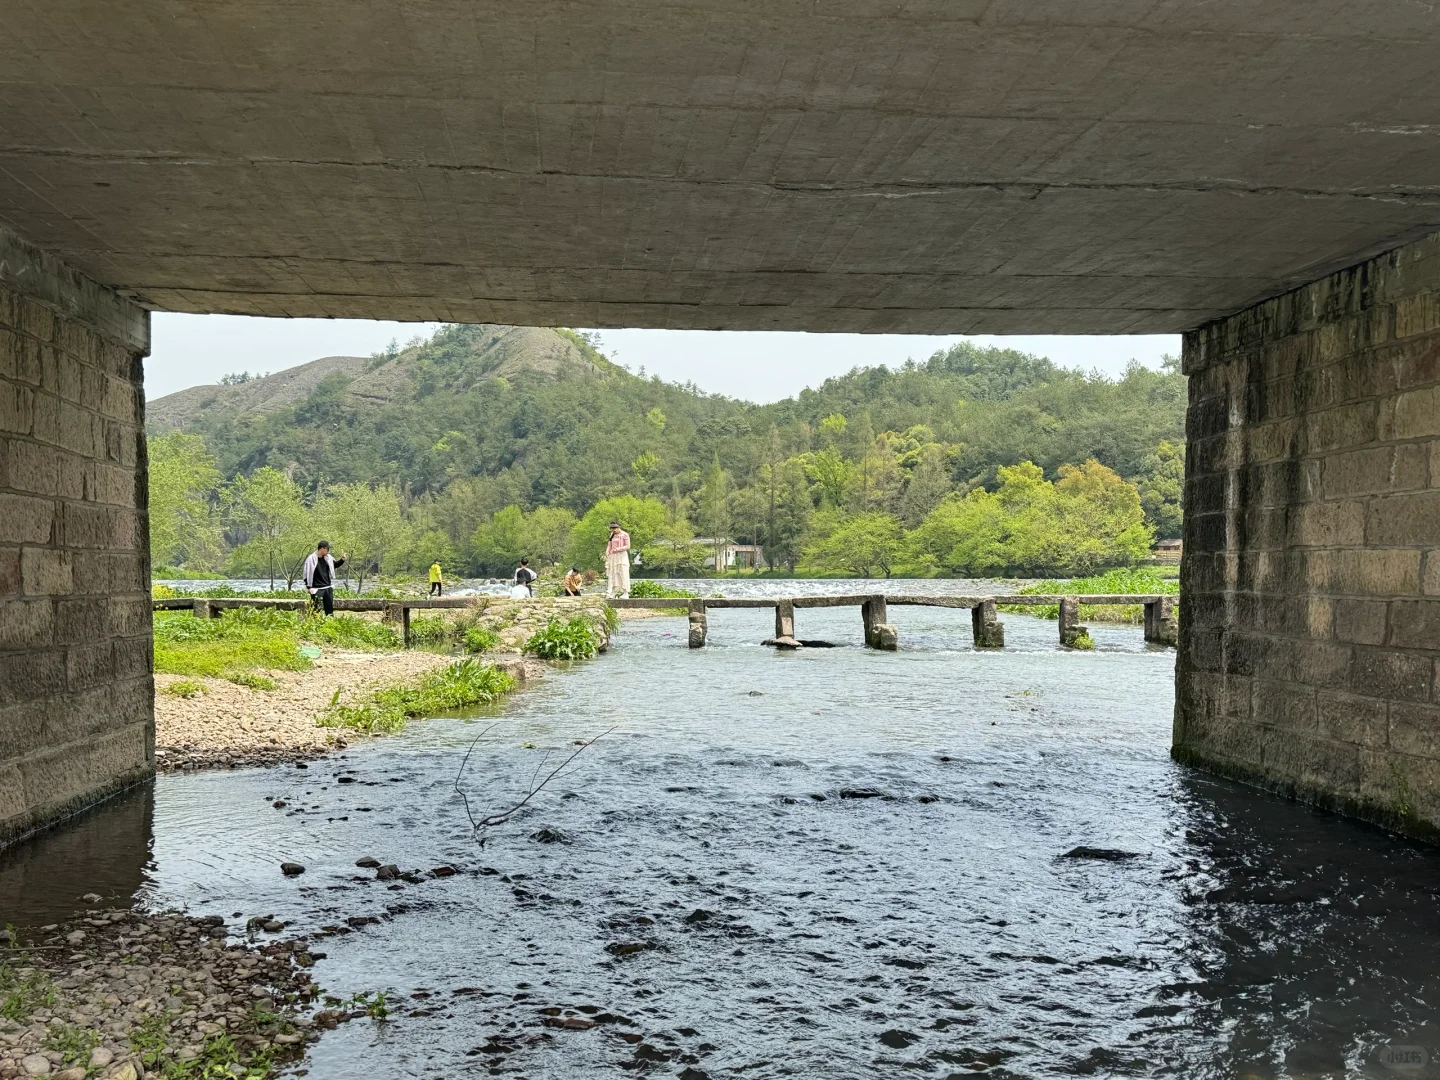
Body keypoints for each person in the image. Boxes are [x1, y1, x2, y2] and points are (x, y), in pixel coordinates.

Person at [302, 541, 346, 616]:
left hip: (327, 586)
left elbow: (335, 565)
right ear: (322, 548)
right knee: (316, 609)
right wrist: (308, 587)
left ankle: (330, 620)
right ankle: (315, 621)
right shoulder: (311, 559)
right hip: (316, 588)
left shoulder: (328, 558)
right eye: (327, 549)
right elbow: (306, 573)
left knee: (329, 609)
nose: (328, 551)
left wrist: (342, 560)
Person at [604, 521, 631, 598]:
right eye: (612, 528)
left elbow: (627, 546)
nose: (614, 530)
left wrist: (617, 549)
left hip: (622, 556)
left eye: (615, 528)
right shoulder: (612, 534)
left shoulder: (625, 534)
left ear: (619, 527)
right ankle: (613, 591)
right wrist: (607, 552)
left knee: (623, 573)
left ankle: (625, 592)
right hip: (613, 557)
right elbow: (609, 545)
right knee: (613, 574)